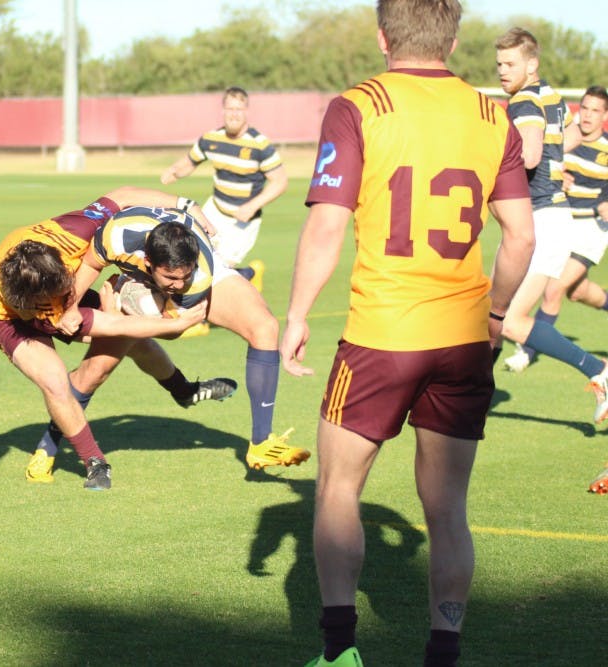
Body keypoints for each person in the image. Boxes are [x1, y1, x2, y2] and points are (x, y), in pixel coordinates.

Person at [279, 1, 535, 665]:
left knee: (338, 487)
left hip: (383, 332)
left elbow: (327, 226)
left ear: (382, 34)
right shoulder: (492, 114)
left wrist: (297, 314)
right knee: (447, 506)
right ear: (452, 38)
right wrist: (498, 315)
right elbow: (521, 236)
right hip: (461, 336)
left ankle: (339, 653)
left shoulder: (357, 105)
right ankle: (442, 652)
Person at [26, 197, 309, 482]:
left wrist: (128, 319)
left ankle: (261, 443)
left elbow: (173, 330)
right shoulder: (118, 234)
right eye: (171, 277)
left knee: (265, 327)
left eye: (182, 277)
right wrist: (72, 308)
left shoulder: (197, 274)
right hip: (133, 278)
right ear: (149, 262)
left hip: (202, 276)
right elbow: (89, 264)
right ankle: (46, 449)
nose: (178, 282)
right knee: (95, 372)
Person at [0, 187, 213, 490]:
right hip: (8, 320)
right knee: (55, 380)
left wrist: (187, 205)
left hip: (43, 290)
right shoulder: (44, 307)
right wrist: (172, 324)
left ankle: (183, 391)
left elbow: (125, 194)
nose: (67, 295)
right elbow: (114, 326)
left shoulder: (72, 231)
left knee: (135, 343)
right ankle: (94, 461)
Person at [491, 28, 608, 421]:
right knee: (493, 312)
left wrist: (487, 164)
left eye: (510, 64)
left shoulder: (523, 102)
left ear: (531, 63)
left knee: (506, 319)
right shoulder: (551, 96)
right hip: (552, 219)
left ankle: (599, 371)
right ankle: (467, 397)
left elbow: (528, 156)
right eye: (499, 64)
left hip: (541, 222)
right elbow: (568, 138)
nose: (502, 72)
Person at [503, 85, 608, 370]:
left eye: (595, 110)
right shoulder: (563, 144)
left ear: (605, 115)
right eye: (584, 108)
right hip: (561, 222)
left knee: (554, 290)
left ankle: (527, 351)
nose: (587, 115)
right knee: (578, 292)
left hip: (591, 228)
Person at [160, 86, 287, 294]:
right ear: (223, 111)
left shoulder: (260, 145)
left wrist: (252, 206)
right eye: (230, 108)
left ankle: (248, 275)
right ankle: (197, 314)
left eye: (239, 109)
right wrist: (174, 171)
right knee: (193, 256)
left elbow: (280, 181)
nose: (234, 114)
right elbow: (191, 161)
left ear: (247, 111)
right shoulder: (211, 139)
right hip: (214, 210)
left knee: (220, 270)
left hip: (243, 221)